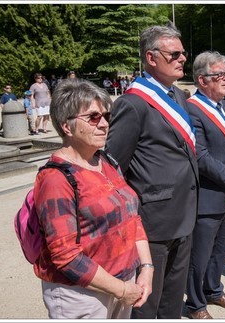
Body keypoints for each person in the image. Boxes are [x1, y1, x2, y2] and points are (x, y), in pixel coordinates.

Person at [32, 78, 153, 319]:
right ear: (67, 126)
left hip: (124, 283)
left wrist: (147, 268)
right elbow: (66, 257)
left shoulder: (106, 161)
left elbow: (132, 217)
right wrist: (121, 290)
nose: (105, 124)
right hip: (81, 295)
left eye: (106, 116)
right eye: (93, 117)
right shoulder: (56, 179)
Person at [105, 24, 199, 319]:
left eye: (183, 53)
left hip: (184, 214)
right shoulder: (132, 104)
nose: (182, 58)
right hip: (152, 224)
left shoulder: (180, 97)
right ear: (151, 57)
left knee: (172, 301)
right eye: (174, 54)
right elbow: (113, 167)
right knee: (148, 303)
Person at [185, 51, 225, 319]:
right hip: (208, 197)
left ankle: (213, 290)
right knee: (200, 256)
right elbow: (200, 156)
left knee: (220, 251)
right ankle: (195, 304)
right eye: (219, 74)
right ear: (202, 80)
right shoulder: (192, 109)